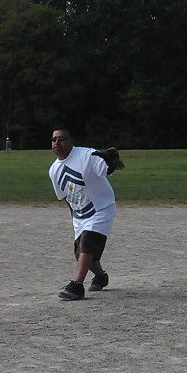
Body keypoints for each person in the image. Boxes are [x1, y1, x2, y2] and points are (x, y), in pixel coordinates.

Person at [48, 128, 123, 300]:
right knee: (80, 252)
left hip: (101, 208)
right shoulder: (54, 170)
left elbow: (107, 166)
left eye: (61, 139)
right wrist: (75, 219)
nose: (57, 144)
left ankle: (77, 285)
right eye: (54, 140)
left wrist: (113, 161)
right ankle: (101, 276)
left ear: (71, 141)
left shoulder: (86, 156)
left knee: (88, 242)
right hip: (80, 214)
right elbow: (65, 197)